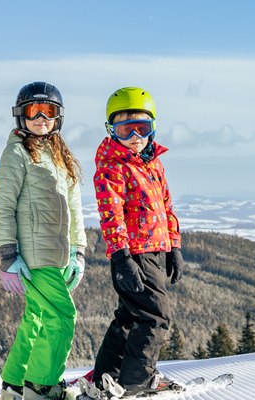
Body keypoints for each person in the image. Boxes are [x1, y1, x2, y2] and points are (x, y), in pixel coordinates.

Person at [73, 87, 185, 399]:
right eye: (126, 129)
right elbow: (111, 214)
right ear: (112, 131)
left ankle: (107, 375)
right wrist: (121, 257)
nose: (136, 136)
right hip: (133, 253)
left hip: (155, 250)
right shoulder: (113, 165)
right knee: (155, 315)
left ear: (153, 128)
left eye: (143, 128)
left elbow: (166, 206)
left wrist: (173, 247)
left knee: (129, 316)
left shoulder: (153, 163)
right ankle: (138, 379)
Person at [0, 81, 88, 400]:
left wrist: (78, 251)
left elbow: (74, 207)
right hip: (35, 255)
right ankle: (43, 387)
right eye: (34, 111)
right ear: (21, 115)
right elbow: (4, 204)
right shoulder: (17, 152)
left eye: (49, 111)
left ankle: (15, 384)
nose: (41, 118)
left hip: (59, 253)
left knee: (36, 317)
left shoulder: (60, 154)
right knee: (62, 317)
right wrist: (8, 254)